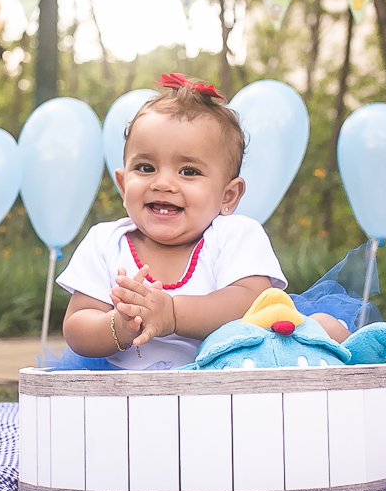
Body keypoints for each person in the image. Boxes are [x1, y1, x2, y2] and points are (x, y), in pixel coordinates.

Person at [55, 72, 349, 371]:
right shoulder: (105, 242)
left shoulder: (235, 235)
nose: (163, 183)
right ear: (122, 184)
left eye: (189, 171)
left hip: (226, 376)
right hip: (130, 386)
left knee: (311, 329)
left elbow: (252, 303)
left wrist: (172, 313)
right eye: (145, 167)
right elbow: (77, 325)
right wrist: (119, 325)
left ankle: (336, 343)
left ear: (228, 195)